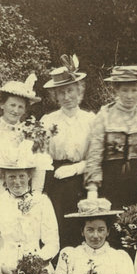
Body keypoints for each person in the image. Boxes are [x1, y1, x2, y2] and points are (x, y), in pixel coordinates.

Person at [85, 64, 137, 209]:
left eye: (134, 90)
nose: (129, 96)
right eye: (124, 90)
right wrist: (92, 188)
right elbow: (94, 154)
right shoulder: (104, 116)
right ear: (116, 90)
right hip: (110, 180)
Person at [41, 57, 95, 248]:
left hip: (83, 179)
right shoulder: (48, 121)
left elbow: (97, 157)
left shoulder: (90, 120)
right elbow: (41, 153)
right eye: (61, 92)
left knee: (81, 227)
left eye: (70, 90)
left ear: (79, 90)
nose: (66, 96)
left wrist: (76, 169)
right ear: (56, 96)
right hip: (55, 182)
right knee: (57, 228)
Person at [0, 73, 52, 200]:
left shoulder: (31, 132)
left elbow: (40, 165)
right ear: (2, 105)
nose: (16, 110)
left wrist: (35, 194)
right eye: (12, 105)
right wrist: (16, 160)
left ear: (25, 110)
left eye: (20, 107)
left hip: (26, 191)